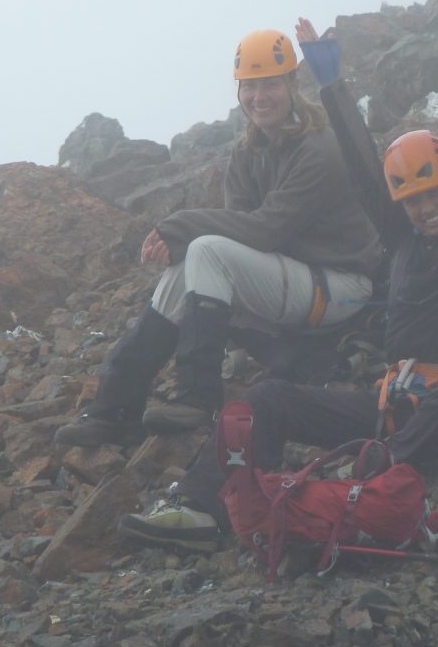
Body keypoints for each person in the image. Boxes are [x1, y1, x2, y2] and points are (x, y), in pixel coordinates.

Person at [118, 15, 438, 551]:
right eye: (413, 199)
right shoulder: (401, 243)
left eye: (436, 194)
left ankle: (360, 479)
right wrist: (331, 83)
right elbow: (364, 168)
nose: (426, 209)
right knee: (267, 397)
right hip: (388, 406)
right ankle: (205, 506)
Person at [54, 28, 384, 447]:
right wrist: (182, 247)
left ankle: (198, 396)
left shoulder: (318, 150)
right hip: (294, 280)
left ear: (292, 85)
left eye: (270, 84)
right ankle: (114, 406)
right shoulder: (248, 153)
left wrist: (180, 226)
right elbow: (240, 229)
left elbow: (265, 231)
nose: (259, 97)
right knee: (189, 263)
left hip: (343, 286)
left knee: (205, 250)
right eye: (249, 86)